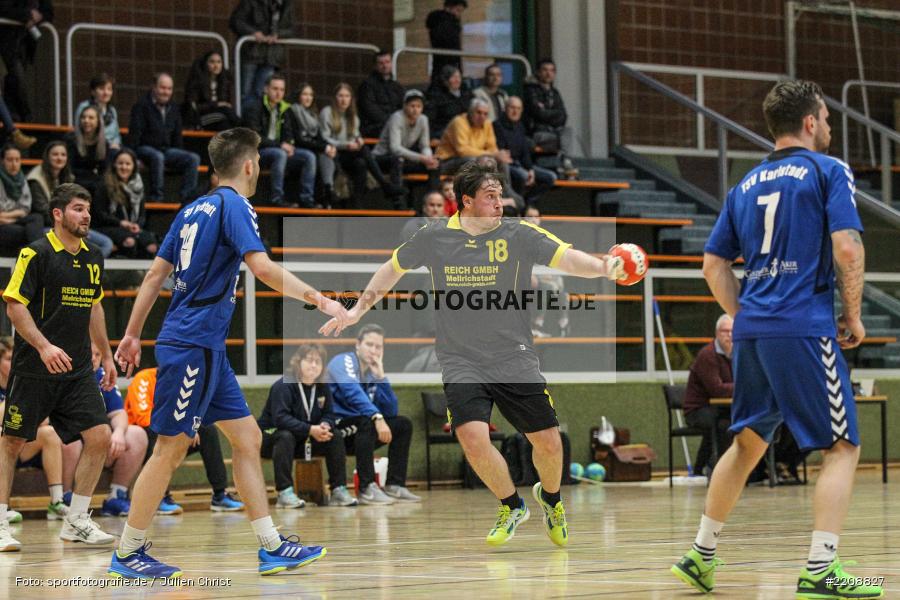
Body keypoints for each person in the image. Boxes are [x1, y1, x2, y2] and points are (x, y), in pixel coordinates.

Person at [319, 161, 628, 547]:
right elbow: (391, 269)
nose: (500, 203)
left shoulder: (519, 234)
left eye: (501, 195)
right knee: (472, 437)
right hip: (460, 357)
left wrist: (603, 267)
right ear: (466, 202)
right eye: (491, 197)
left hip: (513, 354)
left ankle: (550, 499)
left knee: (549, 443)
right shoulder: (433, 237)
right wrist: (357, 310)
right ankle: (512, 505)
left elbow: (567, 258)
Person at [670, 80, 882, 599]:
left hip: (753, 332)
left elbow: (712, 265)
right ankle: (821, 569)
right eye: (827, 119)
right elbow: (848, 249)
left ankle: (700, 554)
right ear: (810, 122)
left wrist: (747, 315)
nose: (829, 128)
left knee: (748, 442)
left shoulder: (744, 185)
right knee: (842, 446)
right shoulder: (828, 170)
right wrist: (851, 315)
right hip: (803, 326)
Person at [109, 127, 347, 579]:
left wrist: (133, 333)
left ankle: (272, 545)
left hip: (206, 347)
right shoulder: (235, 205)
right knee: (170, 449)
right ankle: (127, 552)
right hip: (192, 344)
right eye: (259, 160)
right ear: (250, 164)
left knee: (248, 438)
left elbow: (154, 276)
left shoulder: (190, 209)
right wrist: (322, 299)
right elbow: (262, 267)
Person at [0, 182, 118, 552]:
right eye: (78, 209)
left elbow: (94, 307)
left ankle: (77, 519)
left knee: (100, 437)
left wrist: (107, 354)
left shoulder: (94, 257)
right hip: (35, 367)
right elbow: (14, 306)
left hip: (78, 369)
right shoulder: (35, 254)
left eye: (88, 210)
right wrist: (44, 345)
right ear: (58, 213)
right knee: (12, 442)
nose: (86, 216)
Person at [123, 368, 244, 515]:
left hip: (171, 438)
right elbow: (143, 418)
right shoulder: (144, 378)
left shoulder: (182, 382)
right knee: (153, 433)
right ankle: (160, 497)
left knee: (207, 430)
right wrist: (180, 430)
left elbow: (190, 413)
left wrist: (189, 429)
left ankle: (220, 495)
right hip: (142, 441)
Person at [326, 325, 420, 505]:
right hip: (337, 430)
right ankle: (366, 487)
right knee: (367, 421)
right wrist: (377, 417)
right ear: (357, 345)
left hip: (362, 433)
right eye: (369, 345)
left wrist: (381, 377)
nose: (374, 351)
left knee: (402, 425)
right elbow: (352, 392)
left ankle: (395, 485)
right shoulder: (343, 361)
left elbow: (391, 410)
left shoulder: (371, 372)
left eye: (378, 347)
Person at [259, 344, 358, 508]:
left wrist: (325, 425)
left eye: (318, 362)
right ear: (298, 362)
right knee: (285, 436)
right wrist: (311, 429)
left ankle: (338, 490)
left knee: (335, 436)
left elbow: (329, 413)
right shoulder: (284, 385)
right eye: (309, 360)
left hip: (304, 438)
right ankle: (284, 492)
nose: (313, 365)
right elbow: (281, 419)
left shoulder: (322, 387)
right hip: (272, 438)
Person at [61, 344, 148, 517]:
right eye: (89, 352)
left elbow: (118, 413)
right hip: (70, 442)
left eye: (97, 354)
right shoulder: (63, 374)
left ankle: (116, 496)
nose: (93, 358)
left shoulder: (102, 375)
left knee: (136, 434)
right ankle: (65, 497)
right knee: (70, 440)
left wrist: (118, 433)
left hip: (99, 440)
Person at [0, 337, 67, 524]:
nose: (14, 362)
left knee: (49, 433)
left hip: (22, 443)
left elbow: (43, 418)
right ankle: (2, 507)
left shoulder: (28, 382)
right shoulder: (17, 386)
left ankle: (57, 501)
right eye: (8, 359)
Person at [320, 83, 405, 209]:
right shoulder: (327, 112)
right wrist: (346, 145)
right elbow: (324, 138)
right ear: (335, 98)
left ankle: (357, 203)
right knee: (364, 151)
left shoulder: (353, 116)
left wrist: (358, 140)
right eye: (340, 96)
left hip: (349, 154)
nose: (344, 100)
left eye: (347, 96)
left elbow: (355, 135)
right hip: (333, 154)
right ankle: (384, 184)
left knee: (361, 162)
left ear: (351, 99)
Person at [24, 140, 114, 257]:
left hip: (70, 223)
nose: (59, 158)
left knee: (106, 243)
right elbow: (43, 211)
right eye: (55, 154)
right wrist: (71, 228)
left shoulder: (68, 176)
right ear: (47, 157)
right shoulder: (35, 179)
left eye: (63, 155)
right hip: (46, 226)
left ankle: (81, 267)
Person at [242, 74, 315, 208]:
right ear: (266, 89)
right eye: (275, 89)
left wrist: (289, 145)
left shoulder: (285, 109)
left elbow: (289, 133)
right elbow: (254, 137)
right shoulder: (255, 107)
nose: (278, 93)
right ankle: (276, 197)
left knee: (308, 156)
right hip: (257, 153)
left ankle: (307, 198)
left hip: (278, 150)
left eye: (281, 90)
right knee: (279, 154)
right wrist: (281, 145)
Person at [129, 73, 201, 204]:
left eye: (169, 89)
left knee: (193, 158)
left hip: (166, 149)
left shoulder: (174, 108)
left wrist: (178, 154)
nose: (166, 92)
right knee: (157, 157)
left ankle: (188, 198)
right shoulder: (141, 106)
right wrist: (134, 157)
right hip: (145, 148)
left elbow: (177, 136)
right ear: (154, 87)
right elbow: (134, 134)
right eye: (162, 88)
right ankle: (157, 197)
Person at [436, 99, 514, 204]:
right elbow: (462, 150)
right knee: (474, 161)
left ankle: (504, 193)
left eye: (485, 114)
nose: (482, 116)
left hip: (474, 158)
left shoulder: (487, 124)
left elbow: (492, 148)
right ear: (471, 112)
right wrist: (491, 154)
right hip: (447, 161)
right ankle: (478, 194)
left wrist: (496, 156)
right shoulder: (459, 122)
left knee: (499, 162)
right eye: (479, 112)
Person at [683, 314, 734, 475]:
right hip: (698, 409)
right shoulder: (708, 355)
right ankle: (716, 468)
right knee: (725, 425)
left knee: (735, 422)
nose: (730, 335)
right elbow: (716, 389)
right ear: (717, 333)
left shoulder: (737, 353)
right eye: (726, 331)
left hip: (721, 408)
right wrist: (743, 387)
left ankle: (704, 468)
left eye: (733, 331)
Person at [372, 89, 441, 196]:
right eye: (412, 106)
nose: (415, 110)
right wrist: (422, 158)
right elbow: (395, 148)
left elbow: (425, 146)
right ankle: (399, 203)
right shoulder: (397, 117)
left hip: (403, 158)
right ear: (405, 106)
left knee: (435, 164)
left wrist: (428, 158)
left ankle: (433, 198)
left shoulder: (423, 119)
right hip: (383, 158)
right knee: (397, 160)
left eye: (419, 106)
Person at [92, 148, 158, 258]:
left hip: (130, 228)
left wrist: (137, 225)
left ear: (133, 167)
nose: (124, 167)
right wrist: (121, 223)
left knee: (151, 246)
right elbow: (100, 214)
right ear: (114, 165)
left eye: (128, 164)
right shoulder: (104, 185)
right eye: (120, 163)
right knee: (129, 241)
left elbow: (142, 214)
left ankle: (144, 275)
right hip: (108, 227)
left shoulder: (138, 187)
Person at [494, 96, 557, 207]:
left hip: (521, 164)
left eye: (518, 108)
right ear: (505, 108)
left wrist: (530, 169)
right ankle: (519, 205)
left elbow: (524, 151)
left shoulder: (520, 126)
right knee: (523, 176)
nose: (515, 111)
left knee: (551, 177)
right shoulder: (497, 125)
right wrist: (525, 170)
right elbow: (503, 151)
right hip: (508, 165)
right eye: (512, 108)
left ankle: (529, 202)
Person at [230, 0, 294, 105]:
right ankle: (246, 119)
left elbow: (291, 29)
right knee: (245, 92)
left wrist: (278, 34)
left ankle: (258, 119)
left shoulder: (286, 5)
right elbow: (236, 21)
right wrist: (253, 32)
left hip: (271, 56)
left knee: (263, 93)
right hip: (251, 53)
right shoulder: (252, 2)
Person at [522, 59, 578, 180]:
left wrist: (547, 113)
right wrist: (553, 114)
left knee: (568, 131)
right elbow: (538, 114)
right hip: (537, 134)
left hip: (553, 134)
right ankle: (566, 164)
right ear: (538, 72)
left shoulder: (555, 92)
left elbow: (563, 116)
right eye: (545, 70)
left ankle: (566, 160)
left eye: (552, 71)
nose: (549, 73)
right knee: (565, 140)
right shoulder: (530, 90)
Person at [286, 83, 338, 208]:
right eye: (305, 94)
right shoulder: (292, 110)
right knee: (313, 156)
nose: (308, 98)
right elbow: (298, 139)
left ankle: (328, 191)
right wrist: (323, 147)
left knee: (328, 156)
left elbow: (319, 138)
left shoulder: (313, 115)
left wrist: (329, 147)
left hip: (312, 149)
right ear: (298, 96)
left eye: (311, 95)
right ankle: (309, 199)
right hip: (297, 150)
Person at [0, 0, 52, 123]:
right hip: (6, 42)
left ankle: (14, 119)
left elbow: (48, 12)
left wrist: (39, 17)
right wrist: (27, 15)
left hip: (23, 43)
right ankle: (25, 116)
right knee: (16, 78)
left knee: (13, 81)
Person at [523, 206, 568, 338]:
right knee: (548, 287)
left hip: (539, 275)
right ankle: (536, 326)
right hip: (523, 276)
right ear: (523, 218)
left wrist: (549, 275)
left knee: (561, 291)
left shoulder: (542, 237)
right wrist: (530, 275)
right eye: (530, 216)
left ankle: (563, 325)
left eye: (536, 217)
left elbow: (548, 260)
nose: (533, 220)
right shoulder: (518, 235)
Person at [0, 144, 44, 250]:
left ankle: (35, 256)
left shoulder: (22, 179)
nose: (14, 164)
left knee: (37, 218)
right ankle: (37, 256)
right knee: (27, 232)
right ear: (2, 161)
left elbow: (25, 209)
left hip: (12, 220)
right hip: (4, 226)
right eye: (10, 160)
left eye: (17, 160)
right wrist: (17, 214)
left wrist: (7, 216)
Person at [183, 51, 238, 131]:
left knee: (225, 123)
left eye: (219, 62)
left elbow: (229, 105)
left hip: (220, 117)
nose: (216, 65)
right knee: (226, 114)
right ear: (205, 64)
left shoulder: (225, 81)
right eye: (212, 62)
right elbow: (194, 107)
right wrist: (217, 104)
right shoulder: (197, 81)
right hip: (200, 118)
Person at [357, 51, 405, 138]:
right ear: (375, 66)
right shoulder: (367, 85)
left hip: (395, 126)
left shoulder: (397, 86)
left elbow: (404, 106)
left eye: (387, 62)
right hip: (374, 128)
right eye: (381, 63)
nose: (385, 66)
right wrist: (392, 122)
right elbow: (370, 110)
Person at [74, 73, 123, 152]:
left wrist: (116, 144)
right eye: (101, 89)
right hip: (91, 147)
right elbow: (79, 130)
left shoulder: (112, 110)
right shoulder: (84, 107)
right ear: (93, 92)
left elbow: (116, 135)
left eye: (109, 89)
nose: (106, 93)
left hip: (111, 148)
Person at [65, 105, 107, 194]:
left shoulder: (105, 143)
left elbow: (104, 169)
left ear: (98, 121)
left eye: (91, 118)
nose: (86, 120)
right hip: (75, 180)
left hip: (95, 182)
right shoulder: (71, 140)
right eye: (83, 117)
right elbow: (69, 167)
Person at [426, 65, 472, 140]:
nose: (457, 80)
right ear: (445, 80)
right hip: (446, 133)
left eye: (459, 77)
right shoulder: (437, 97)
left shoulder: (467, 94)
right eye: (453, 77)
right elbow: (430, 119)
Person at [425, 0, 467, 81]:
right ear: (449, 8)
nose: (459, 14)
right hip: (448, 61)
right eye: (458, 10)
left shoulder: (438, 21)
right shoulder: (447, 23)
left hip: (442, 62)